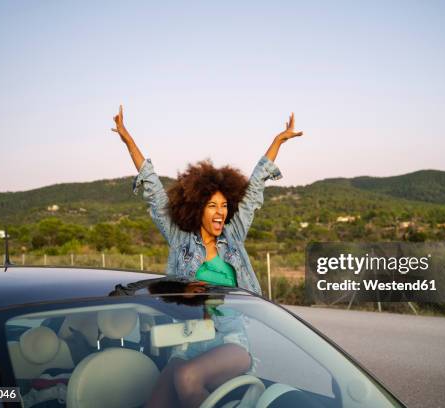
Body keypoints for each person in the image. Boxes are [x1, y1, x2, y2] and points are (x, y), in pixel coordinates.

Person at [111, 106, 302, 408]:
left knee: (187, 378)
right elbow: (153, 189)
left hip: (230, 340)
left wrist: (279, 140)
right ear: (197, 206)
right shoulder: (180, 238)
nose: (221, 212)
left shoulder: (234, 234)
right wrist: (127, 138)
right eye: (213, 206)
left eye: (224, 206)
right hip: (187, 340)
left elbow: (254, 189)